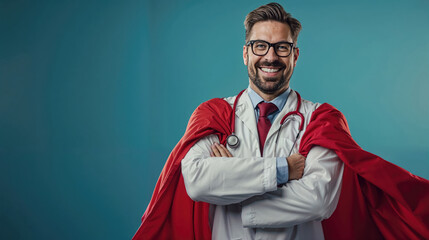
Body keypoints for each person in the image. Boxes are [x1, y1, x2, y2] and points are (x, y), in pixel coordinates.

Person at [133, 3, 429, 240]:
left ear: (295, 55)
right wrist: (284, 169)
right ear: (246, 53)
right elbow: (197, 182)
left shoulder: (322, 119)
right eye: (260, 46)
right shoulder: (213, 114)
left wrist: (231, 195)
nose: (270, 56)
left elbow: (318, 200)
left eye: (281, 47)